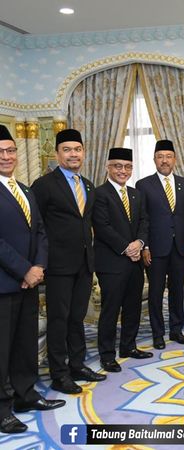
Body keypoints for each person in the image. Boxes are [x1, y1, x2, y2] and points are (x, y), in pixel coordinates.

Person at [0, 125, 65, 434]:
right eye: (0, 152)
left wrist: (38, 266)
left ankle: (25, 395)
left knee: (25, 343)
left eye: (11, 150)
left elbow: (40, 231)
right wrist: (24, 269)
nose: (7, 156)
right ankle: (2, 410)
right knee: (1, 348)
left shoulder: (25, 190)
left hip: (28, 282)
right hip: (4, 283)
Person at [31, 129, 106, 395]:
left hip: (84, 264)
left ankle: (77, 365)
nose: (73, 154)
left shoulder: (88, 185)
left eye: (77, 149)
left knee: (77, 318)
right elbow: (36, 226)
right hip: (58, 266)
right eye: (67, 150)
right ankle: (59, 374)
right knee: (59, 320)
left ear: (83, 152)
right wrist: (38, 262)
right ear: (57, 154)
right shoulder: (43, 185)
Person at [136, 140, 184, 350]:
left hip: (179, 246)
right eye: (160, 156)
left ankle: (176, 330)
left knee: (177, 290)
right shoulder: (144, 185)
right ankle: (158, 333)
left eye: (168, 156)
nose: (164, 160)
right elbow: (142, 218)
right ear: (154, 159)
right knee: (155, 292)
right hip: (155, 248)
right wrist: (144, 246)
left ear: (175, 159)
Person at [93, 148, 152, 373]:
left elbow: (145, 222)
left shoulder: (136, 194)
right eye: (118, 166)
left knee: (132, 307)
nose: (123, 171)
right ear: (108, 167)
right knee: (111, 309)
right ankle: (107, 355)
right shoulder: (99, 194)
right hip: (111, 262)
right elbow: (102, 227)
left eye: (127, 167)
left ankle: (128, 346)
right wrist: (127, 248)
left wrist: (139, 242)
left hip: (135, 261)